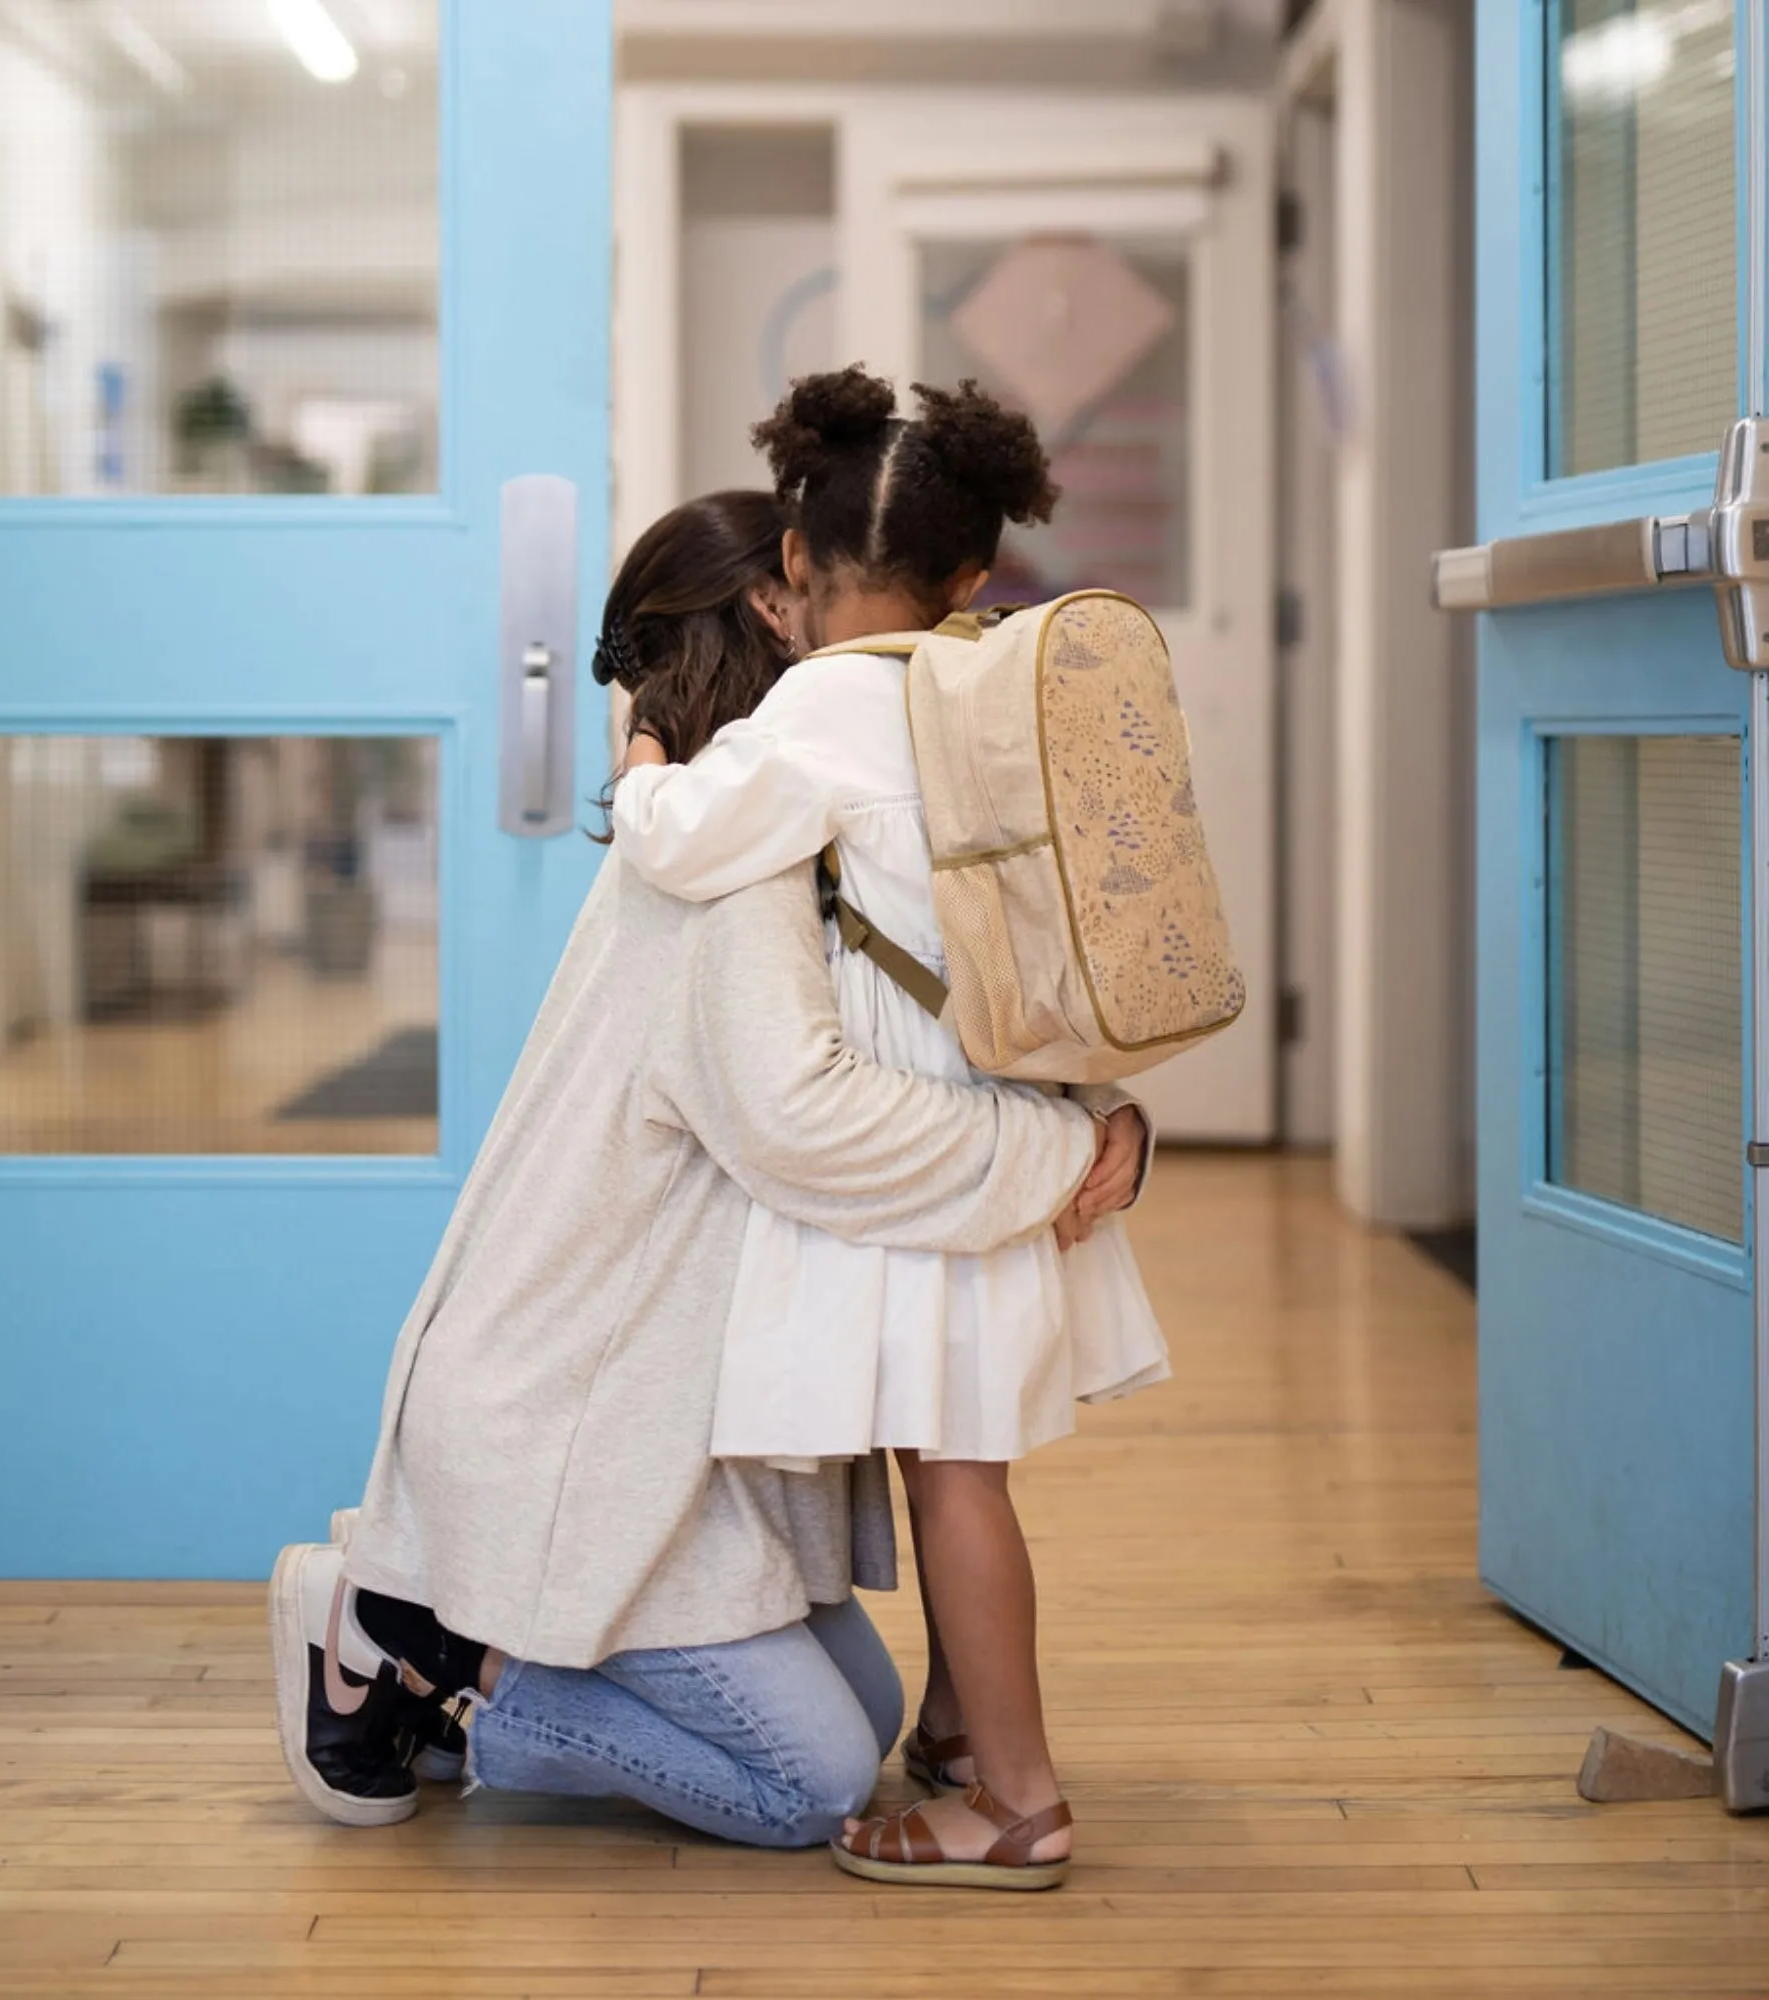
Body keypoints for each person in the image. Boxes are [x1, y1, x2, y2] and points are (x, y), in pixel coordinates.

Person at [269, 490, 1152, 1853]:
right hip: (585, 1429)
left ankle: (452, 1628)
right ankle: (417, 1645)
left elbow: (935, 1014)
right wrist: (1056, 1150)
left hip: (677, 1435)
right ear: (780, 619)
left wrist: (1102, 1112)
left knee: (853, 1716)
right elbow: (803, 1117)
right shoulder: (729, 882)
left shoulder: (760, 838)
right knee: (806, 1783)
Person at [610, 369, 1169, 1888]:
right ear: (976, 576)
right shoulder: (995, 687)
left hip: (926, 1138)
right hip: (1018, 1105)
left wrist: (645, 757)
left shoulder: (827, 710)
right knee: (962, 1461)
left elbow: (680, 846)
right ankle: (961, 1735)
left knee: (950, 1474)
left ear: (792, 566)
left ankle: (1019, 1805)